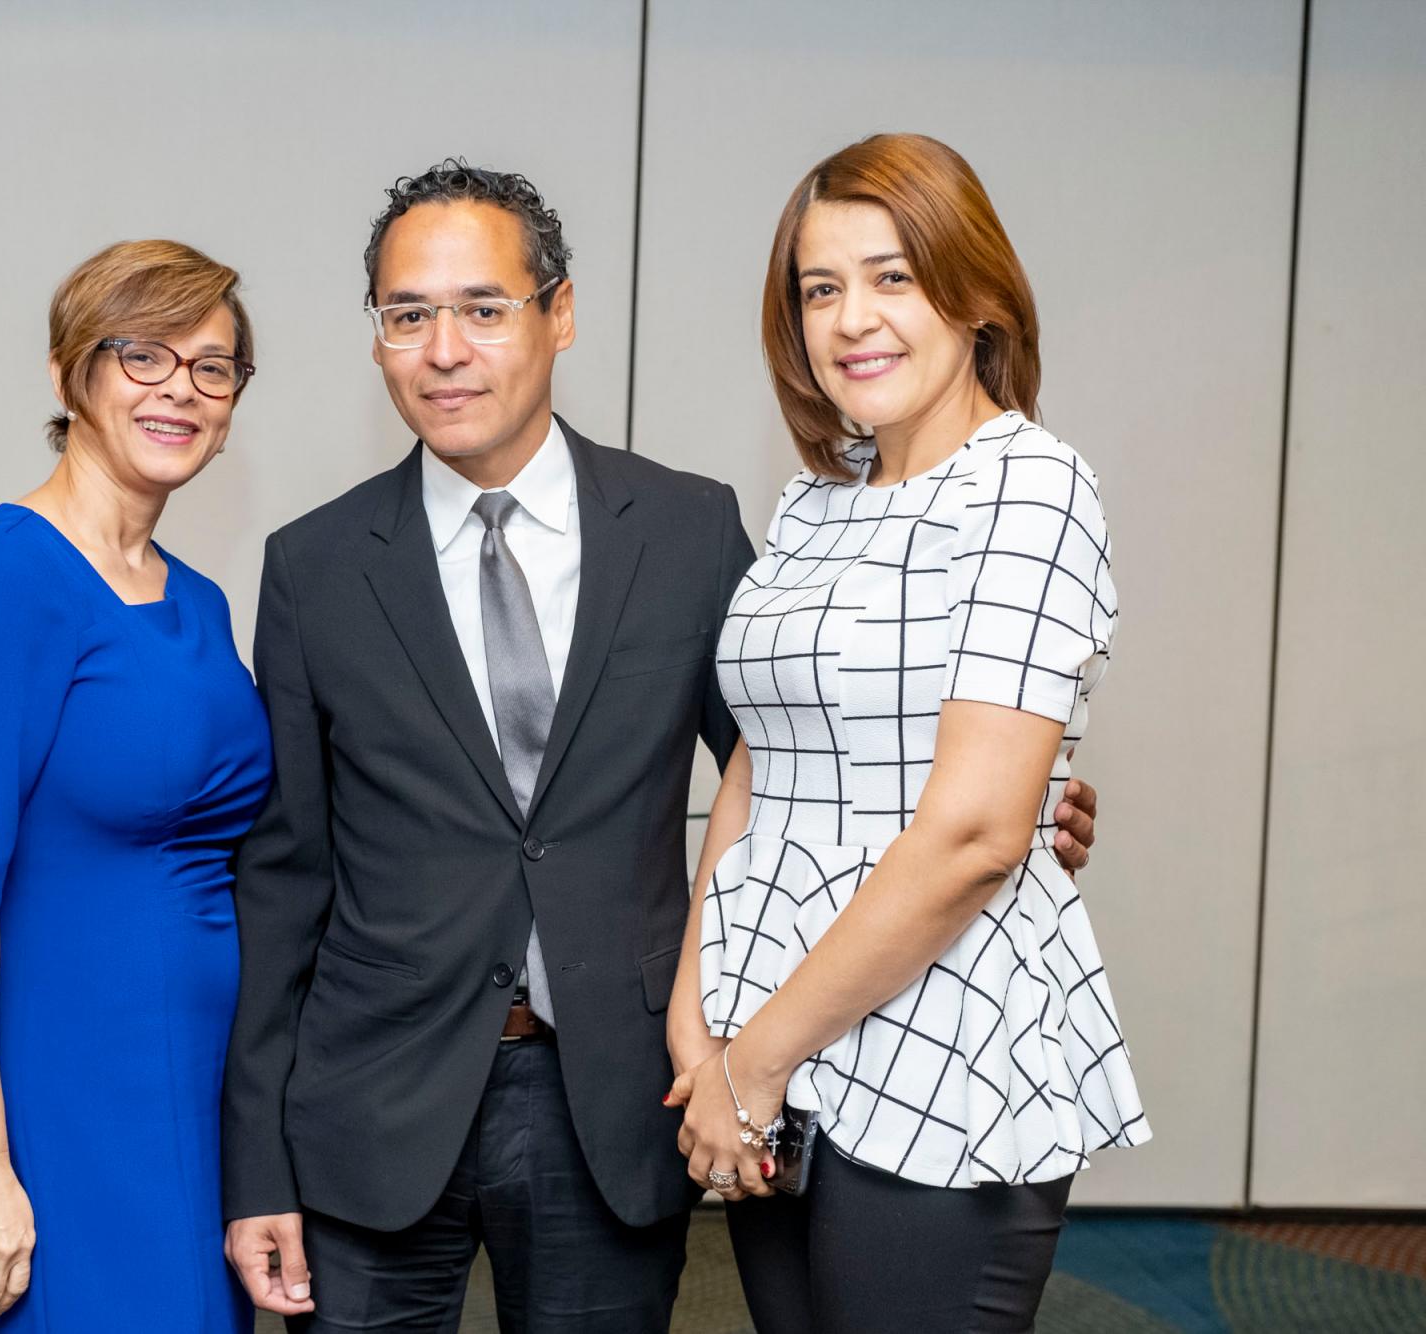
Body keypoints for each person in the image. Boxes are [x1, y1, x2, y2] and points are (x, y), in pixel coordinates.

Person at [220, 161, 1103, 1332]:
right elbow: (283, 878)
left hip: (611, 1090)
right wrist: (256, 1169)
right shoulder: (314, 564)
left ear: (559, 313)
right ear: (376, 337)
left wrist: (1024, 795)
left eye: (483, 308)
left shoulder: (687, 531)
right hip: (369, 1100)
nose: (445, 349)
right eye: (407, 315)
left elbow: (796, 757)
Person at [665, 133, 1150, 1333]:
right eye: (819, 287)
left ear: (974, 297)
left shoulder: (1029, 487)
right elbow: (752, 765)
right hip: (771, 1032)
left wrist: (754, 1059)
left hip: (942, 1038)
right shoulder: (816, 502)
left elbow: (977, 833)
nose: (850, 318)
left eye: (891, 276)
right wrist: (698, 1019)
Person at [0, 240, 269, 1332]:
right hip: (63, 1083)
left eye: (213, 367)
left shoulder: (195, 599)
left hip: (199, 1085)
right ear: (71, 375)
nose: (181, 390)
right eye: (143, 354)